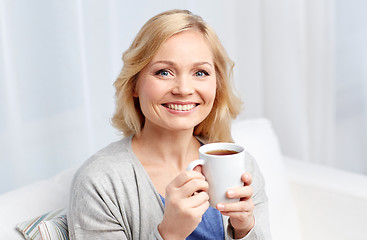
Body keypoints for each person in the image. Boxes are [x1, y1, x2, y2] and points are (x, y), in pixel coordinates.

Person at [68, 9, 271, 240]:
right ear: (134, 85)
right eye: (164, 72)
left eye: (200, 72)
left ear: (217, 86)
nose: (183, 89)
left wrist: (245, 229)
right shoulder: (99, 183)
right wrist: (170, 233)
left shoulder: (241, 167)